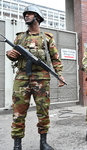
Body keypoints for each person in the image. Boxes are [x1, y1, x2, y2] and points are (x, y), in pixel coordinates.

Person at [6, 5, 65, 150]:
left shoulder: (47, 38)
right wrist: (10, 54)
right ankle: (17, 145)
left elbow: (55, 58)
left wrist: (59, 74)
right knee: (18, 112)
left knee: (43, 111)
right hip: (21, 78)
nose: (26, 16)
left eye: (30, 14)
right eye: (25, 14)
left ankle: (43, 142)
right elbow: (14, 56)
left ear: (37, 17)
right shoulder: (20, 37)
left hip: (42, 78)